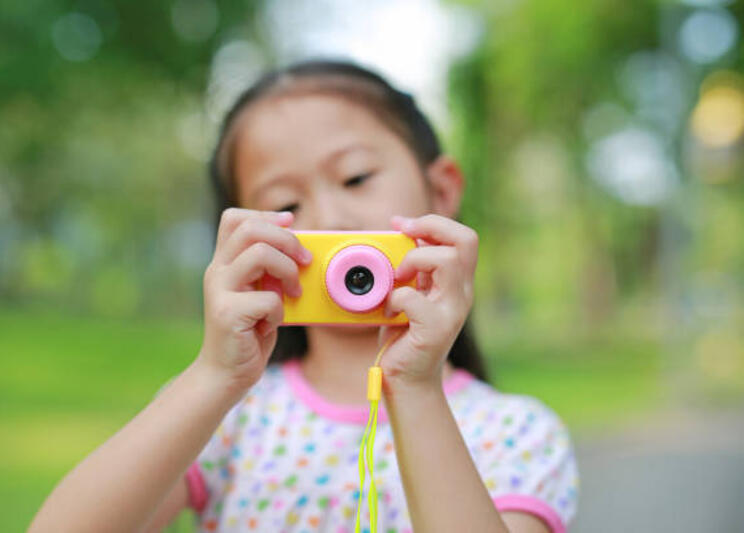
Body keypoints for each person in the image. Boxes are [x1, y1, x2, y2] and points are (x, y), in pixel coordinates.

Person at [29, 59, 579, 533]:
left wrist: (414, 387)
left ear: (441, 190)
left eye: (356, 177)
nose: (330, 219)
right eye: (286, 204)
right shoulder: (230, 414)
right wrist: (214, 375)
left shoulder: (516, 435)